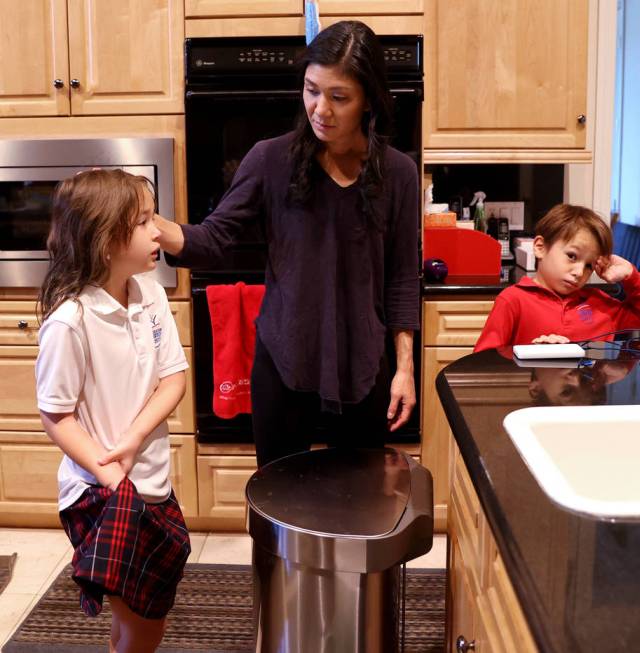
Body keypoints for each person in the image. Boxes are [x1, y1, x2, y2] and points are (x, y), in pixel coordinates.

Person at [153, 21, 419, 468]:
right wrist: (151, 223)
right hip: (284, 363)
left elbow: (402, 278)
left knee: (358, 510)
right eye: (312, 90)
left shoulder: (398, 174)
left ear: (368, 100)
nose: (321, 109)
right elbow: (214, 239)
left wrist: (406, 368)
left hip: (364, 367)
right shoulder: (269, 159)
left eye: (339, 97)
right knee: (280, 515)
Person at [35, 169, 190, 653]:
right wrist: (108, 471)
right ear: (105, 242)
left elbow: (173, 379)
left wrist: (131, 442)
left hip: (148, 480)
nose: (157, 231)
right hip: (99, 494)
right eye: (143, 222)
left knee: (143, 617)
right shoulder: (70, 321)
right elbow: (56, 415)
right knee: (143, 622)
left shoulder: (152, 294)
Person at [474, 204, 640, 352]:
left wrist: (630, 275)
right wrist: (531, 353)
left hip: (587, 400)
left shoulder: (599, 305)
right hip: (531, 399)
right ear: (540, 247)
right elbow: (485, 360)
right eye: (572, 256)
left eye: (589, 265)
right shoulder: (513, 301)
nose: (579, 272)